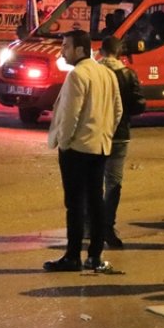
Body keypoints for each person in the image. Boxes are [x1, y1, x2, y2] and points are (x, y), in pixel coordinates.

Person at [44, 30, 123, 273]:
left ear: (79, 49)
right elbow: (117, 110)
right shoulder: (106, 73)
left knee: (75, 204)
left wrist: (65, 143)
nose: (62, 51)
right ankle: (95, 256)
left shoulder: (78, 75)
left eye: (66, 46)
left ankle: (72, 256)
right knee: (96, 202)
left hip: (77, 149)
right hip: (99, 147)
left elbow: (70, 115)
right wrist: (105, 133)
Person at [97, 36, 146, 249]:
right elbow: (138, 104)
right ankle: (108, 224)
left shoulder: (93, 73)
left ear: (101, 50)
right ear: (119, 53)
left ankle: (91, 224)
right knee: (113, 182)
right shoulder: (127, 74)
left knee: (93, 181)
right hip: (120, 134)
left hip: (95, 134)